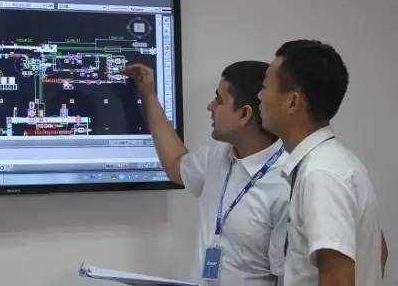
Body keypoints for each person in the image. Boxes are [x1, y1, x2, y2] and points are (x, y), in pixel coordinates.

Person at [124, 61, 289, 286]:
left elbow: (290, 278)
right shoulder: (219, 154)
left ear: (244, 114)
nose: (210, 106)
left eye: (219, 100)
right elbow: (176, 165)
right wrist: (149, 95)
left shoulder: (286, 183)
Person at [258, 39, 389, 286]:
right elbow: (379, 248)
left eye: (265, 87)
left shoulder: (321, 173)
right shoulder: (335, 162)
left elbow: (338, 280)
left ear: (293, 101)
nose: (259, 96)